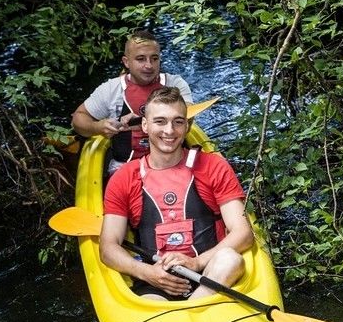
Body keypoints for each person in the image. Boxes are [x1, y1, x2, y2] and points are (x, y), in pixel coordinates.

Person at [99, 87, 254, 301]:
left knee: (231, 259)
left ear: (188, 125)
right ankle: (192, 312)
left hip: (210, 274)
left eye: (178, 121)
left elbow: (243, 233)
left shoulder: (213, 166)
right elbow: (108, 248)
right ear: (145, 125)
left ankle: (194, 305)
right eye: (160, 121)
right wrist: (147, 273)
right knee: (150, 304)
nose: (169, 131)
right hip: (156, 281)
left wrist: (196, 263)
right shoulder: (124, 178)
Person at [71, 30, 193, 173]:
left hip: (171, 163)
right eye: (141, 59)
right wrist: (98, 127)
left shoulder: (175, 84)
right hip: (125, 167)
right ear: (126, 62)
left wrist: (139, 122)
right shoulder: (111, 89)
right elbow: (78, 119)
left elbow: (188, 120)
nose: (149, 65)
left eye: (154, 58)